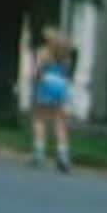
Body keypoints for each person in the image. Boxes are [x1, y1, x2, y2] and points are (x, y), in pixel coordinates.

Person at [30, 26, 76, 173]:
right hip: (61, 86)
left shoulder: (44, 54)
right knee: (60, 123)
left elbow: (38, 71)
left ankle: (39, 153)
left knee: (40, 120)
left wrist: (36, 80)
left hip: (46, 84)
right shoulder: (66, 57)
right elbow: (68, 74)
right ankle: (63, 155)